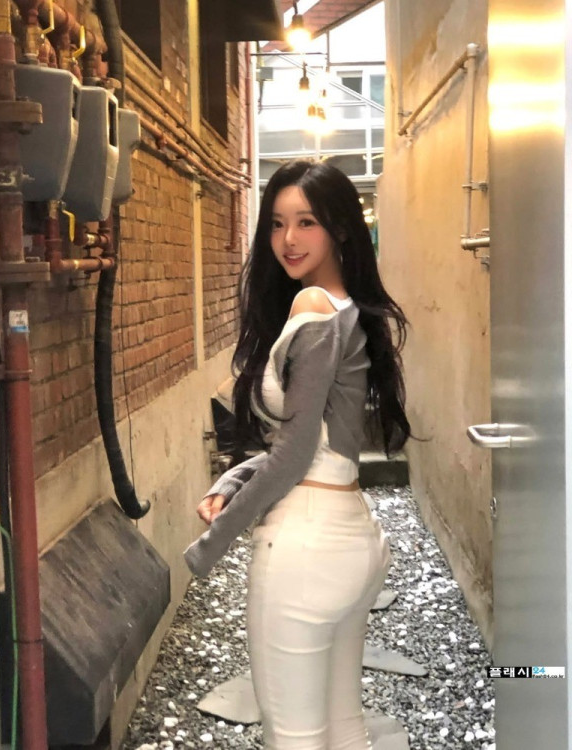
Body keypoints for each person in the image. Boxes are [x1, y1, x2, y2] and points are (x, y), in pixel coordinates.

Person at [184, 159, 411, 750]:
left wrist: (211, 544)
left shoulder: (312, 307)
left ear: (339, 228)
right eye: (277, 223)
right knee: (344, 729)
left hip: (305, 551)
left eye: (306, 222)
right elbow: (315, 447)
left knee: (295, 738)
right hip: (352, 538)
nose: (288, 239)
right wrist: (234, 481)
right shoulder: (348, 309)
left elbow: (292, 453)